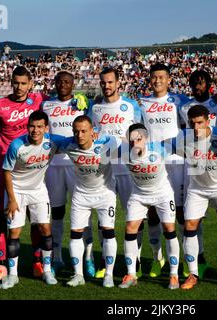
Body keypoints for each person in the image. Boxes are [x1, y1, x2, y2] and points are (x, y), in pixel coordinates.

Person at [0, 66, 48, 282]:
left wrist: (78, 101)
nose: (19, 87)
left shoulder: (39, 100)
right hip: (6, 167)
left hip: (33, 167)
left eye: (23, 83)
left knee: (36, 217)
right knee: (3, 215)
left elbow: (61, 101)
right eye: (15, 82)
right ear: (11, 82)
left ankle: (37, 261)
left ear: (30, 83)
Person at [175, 105, 217, 291]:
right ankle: (193, 273)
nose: (196, 127)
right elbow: (165, 148)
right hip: (197, 188)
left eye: (200, 123)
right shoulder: (183, 137)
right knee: (189, 226)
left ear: (208, 121)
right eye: (192, 123)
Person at [1, 110, 64, 289]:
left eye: (39, 127)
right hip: (16, 192)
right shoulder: (17, 145)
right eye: (31, 126)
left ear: (46, 128)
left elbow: (74, 142)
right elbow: (6, 171)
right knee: (14, 232)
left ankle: (47, 270)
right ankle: (12, 275)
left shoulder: (53, 141)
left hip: (38, 191)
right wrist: (12, 199)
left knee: (45, 228)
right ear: (27, 126)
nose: (35, 130)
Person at [88, 67, 142, 278]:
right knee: (103, 218)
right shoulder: (94, 107)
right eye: (103, 82)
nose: (106, 86)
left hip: (128, 168)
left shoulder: (131, 106)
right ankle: (105, 261)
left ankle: (135, 259)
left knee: (135, 216)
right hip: (103, 168)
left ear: (119, 83)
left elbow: (140, 134)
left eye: (110, 82)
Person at [41, 71, 95, 276]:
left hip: (77, 164)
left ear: (73, 85)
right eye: (59, 81)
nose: (62, 85)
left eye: (67, 82)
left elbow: (94, 121)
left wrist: (88, 103)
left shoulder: (81, 103)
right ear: (54, 83)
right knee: (57, 212)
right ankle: (57, 257)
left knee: (84, 210)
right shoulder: (46, 105)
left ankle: (88, 257)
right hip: (53, 164)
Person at [138, 63, 189, 278]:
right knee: (152, 213)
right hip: (153, 164)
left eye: (161, 77)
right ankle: (157, 258)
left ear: (169, 79)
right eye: (154, 77)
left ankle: (185, 260)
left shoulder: (180, 101)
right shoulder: (143, 103)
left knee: (179, 214)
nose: (157, 81)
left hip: (177, 163)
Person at [117, 123, 180, 290]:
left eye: (139, 139)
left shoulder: (160, 148)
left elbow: (185, 139)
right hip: (139, 194)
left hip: (163, 193)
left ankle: (174, 275)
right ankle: (131, 274)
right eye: (131, 140)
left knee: (169, 228)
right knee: (130, 228)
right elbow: (96, 144)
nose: (135, 143)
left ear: (146, 139)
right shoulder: (120, 151)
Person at [59, 115, 119, 288]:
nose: (80, 135)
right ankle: (78, 275)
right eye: (76, 131)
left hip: (105, 194)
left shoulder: (106, 145)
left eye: (84, 131)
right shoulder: (68, 145)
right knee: (75, 234)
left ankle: (109, 274)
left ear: (92, 132)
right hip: (81, 195)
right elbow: (49, 141)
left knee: (108, 232)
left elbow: (122, 140)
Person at [179, 69, 217, 279]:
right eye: (194, 84)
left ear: (209, 84)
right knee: (194, 219)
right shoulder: (185, 107)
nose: (197, 87)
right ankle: (199, 261)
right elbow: (183, 132)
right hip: (196, 165)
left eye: (201, 83)